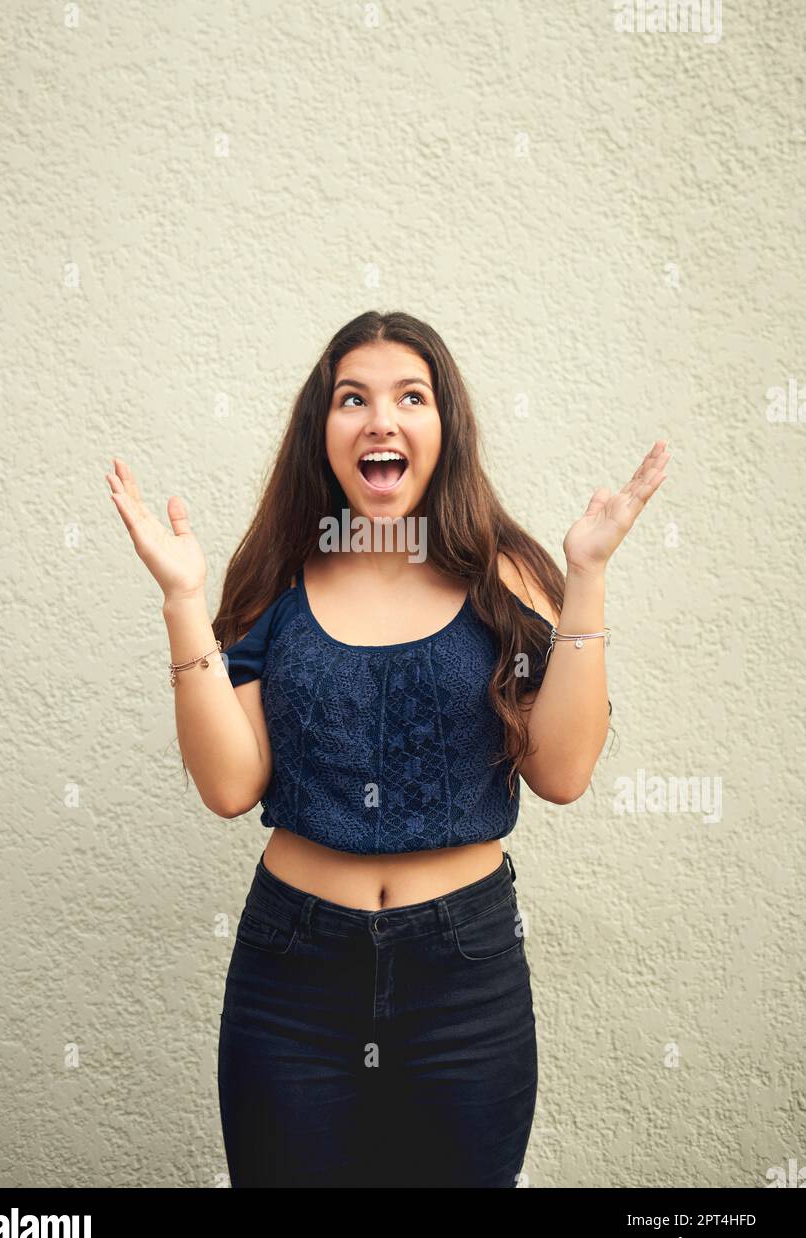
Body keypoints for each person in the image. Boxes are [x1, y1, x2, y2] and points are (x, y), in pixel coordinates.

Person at [106, 309, 669, 1188]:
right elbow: (229, 785)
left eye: (411, 396)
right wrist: (182, 600)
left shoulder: (506, 575)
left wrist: (588, 579)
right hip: (292, 974)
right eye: (351, 399)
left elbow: (562, 773)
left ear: (444, 426)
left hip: (465, 978)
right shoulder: (277, 578)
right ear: (321, 433)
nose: (381, 419)